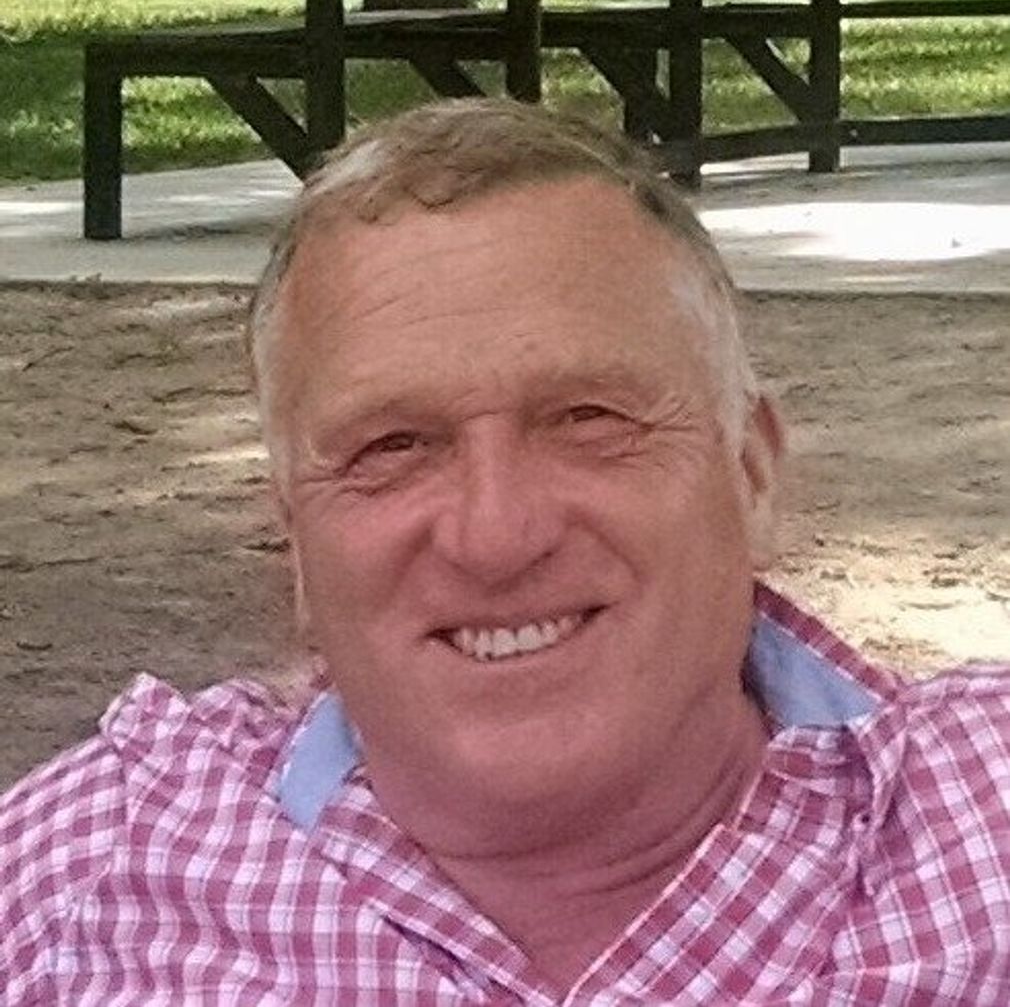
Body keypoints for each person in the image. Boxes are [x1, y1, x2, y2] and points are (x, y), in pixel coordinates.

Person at [2, 99, 1008, 1005]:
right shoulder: (75, 877)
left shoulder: (985, 814)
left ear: (749, 474)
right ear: (298, 543)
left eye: (588, 418)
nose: (495, 536)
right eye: (392, 447)